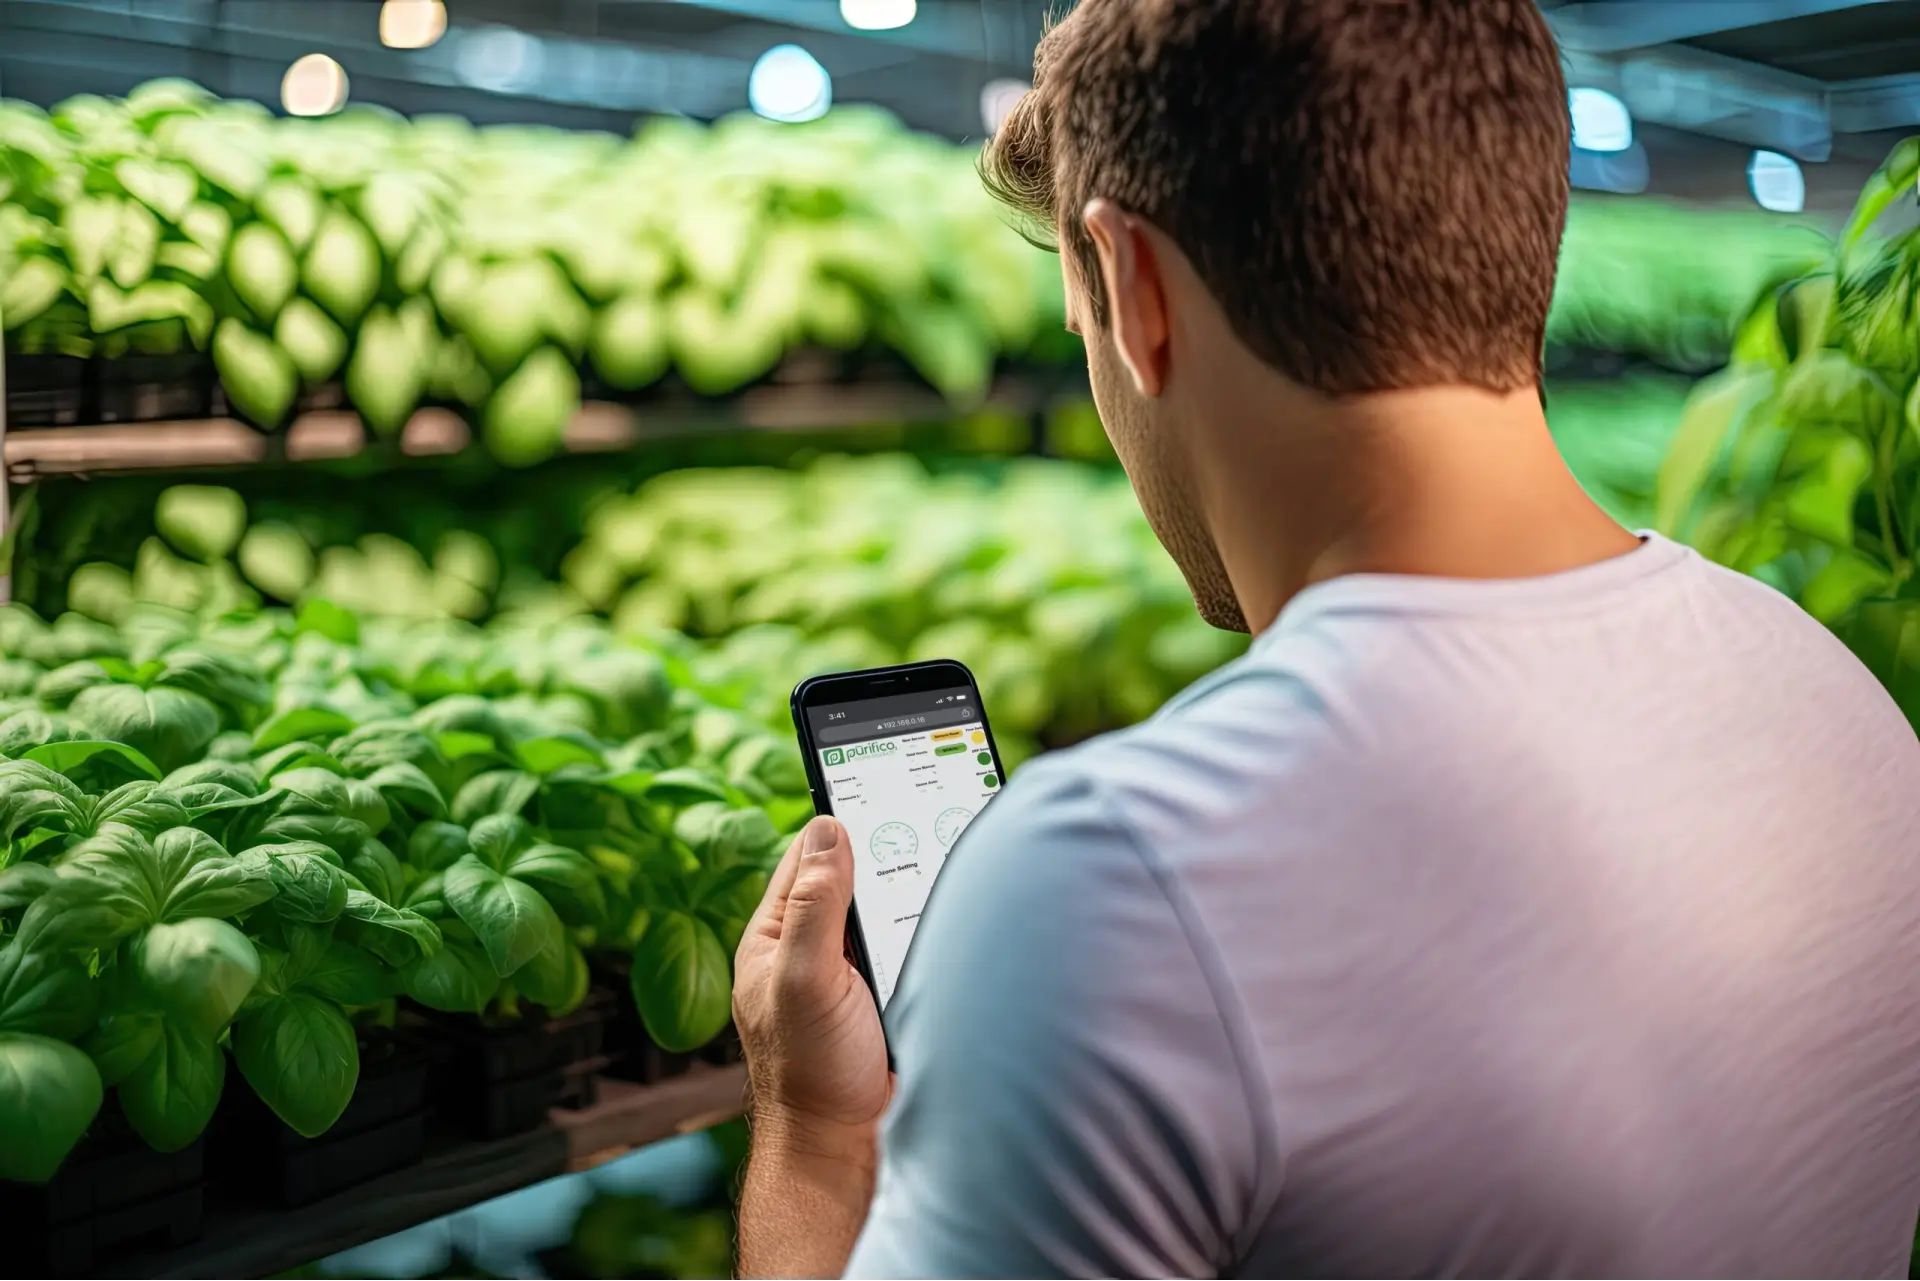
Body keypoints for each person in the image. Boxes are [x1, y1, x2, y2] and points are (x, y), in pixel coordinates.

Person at [730, 1, 1920, 1277]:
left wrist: (815, 1129)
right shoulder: (1837, 698)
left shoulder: (1121, 884)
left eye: (1079, 320)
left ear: (1132, 288)